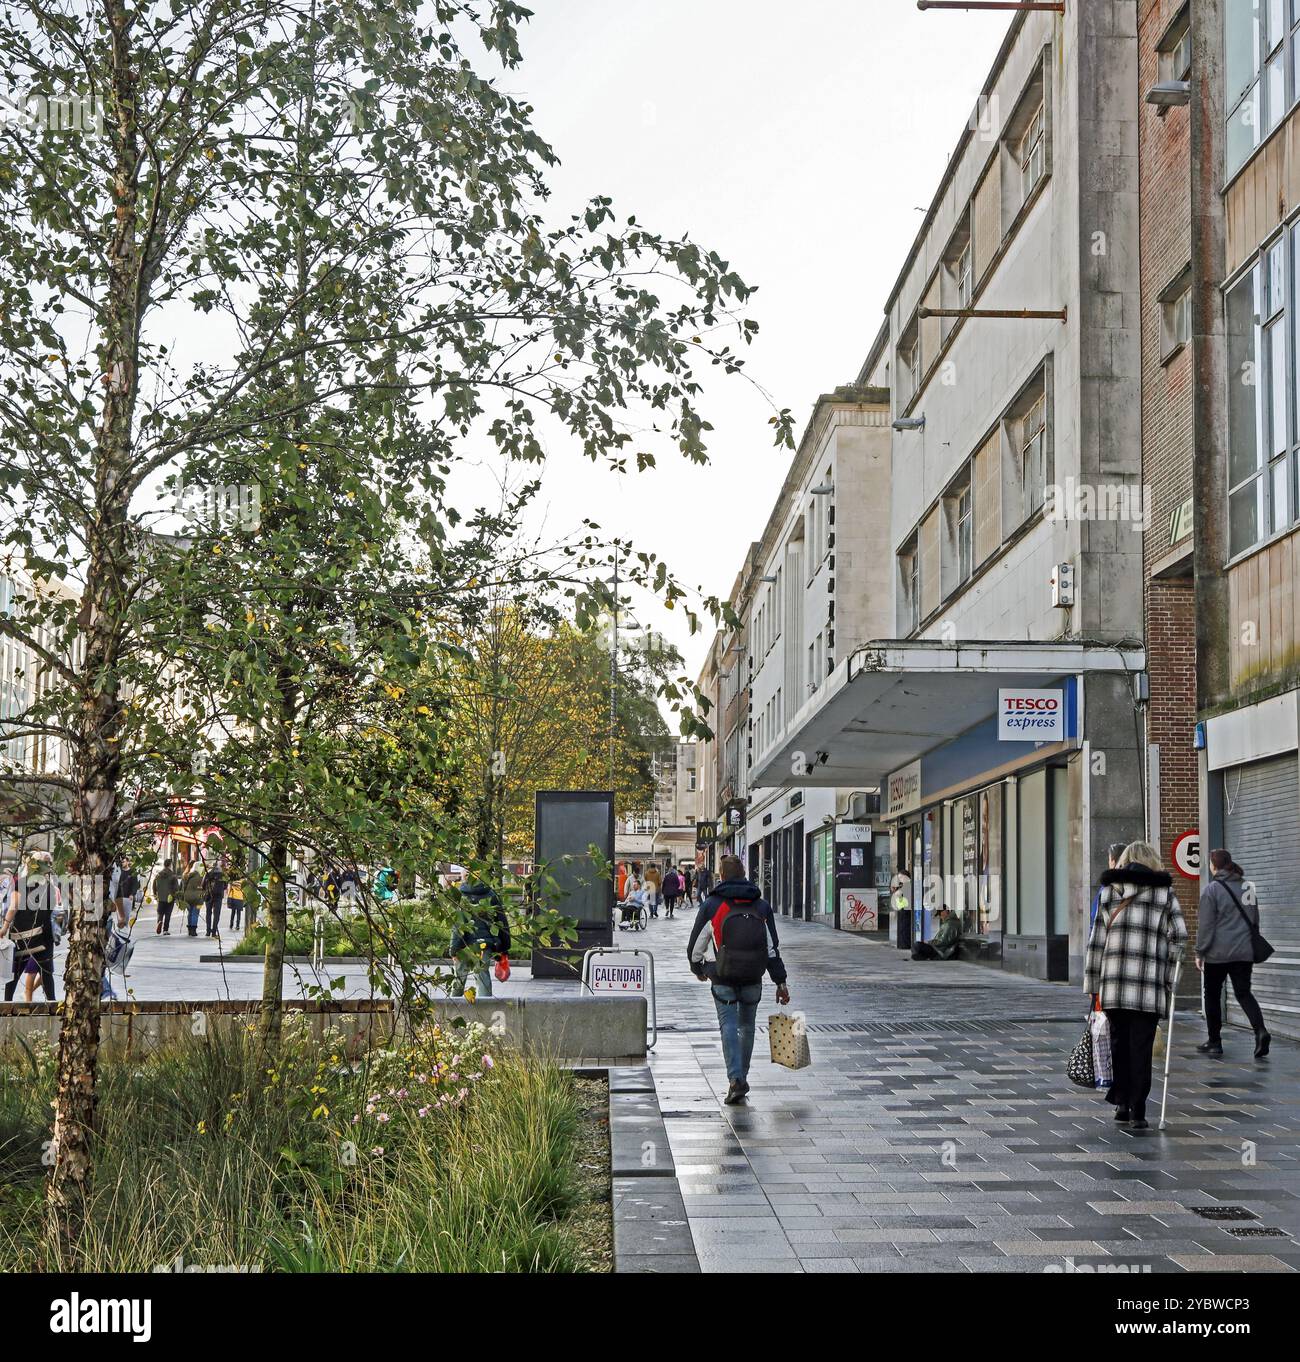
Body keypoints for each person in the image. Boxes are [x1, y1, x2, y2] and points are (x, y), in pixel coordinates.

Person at [1084, 840, 1187, 1130]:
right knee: (1141, 1048)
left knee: (1119, 1045)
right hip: (1149, 986)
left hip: (1114, 984)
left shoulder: (1109, 892)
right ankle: (1138, 1110)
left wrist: (1093, 986)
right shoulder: (1164, 893)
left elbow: (1096, 943)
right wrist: (1170, 978)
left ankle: (1122, 1102)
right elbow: (1179, 937)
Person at [687, 853, 790, 1105]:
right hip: (753, 976)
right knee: (747, 1027)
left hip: (722, 976)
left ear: (721, 875)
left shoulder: (713, 905)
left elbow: (695, 947)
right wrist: (781, 981)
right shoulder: (760, 905)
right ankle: (741, 1076)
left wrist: (698, 969)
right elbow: (771, 948)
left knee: (729, 1026)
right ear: (744, 873)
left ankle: (735, 1079)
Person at [1196, 848, 1270, 1059]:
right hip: (1244, 952)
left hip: (1217, 954)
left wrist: (1199, 952)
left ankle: (1214, 1042)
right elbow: (1254, 920)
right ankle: (1260, 1031)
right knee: (1243, 993)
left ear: (1214, 866)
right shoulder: (1247, 886)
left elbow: (1206, 926)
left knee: (1211, 994)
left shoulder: (1212, 889)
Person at [0, 854, 57, 1002]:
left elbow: (13, 907)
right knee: (46, 973)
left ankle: (7, 1006)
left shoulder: (23, 883)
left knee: (15, 973)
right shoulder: (50, 886)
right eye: (47, 863)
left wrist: (5, 928)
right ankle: (52, 1005)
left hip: (22, 936)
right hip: (42, 937)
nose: (49, 866)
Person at [449, 870, 510, 1000]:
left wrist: (453, 950)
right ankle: (486, 1009)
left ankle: (452, 1007)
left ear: (465, 877)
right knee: (483, 976)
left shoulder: (460, 896)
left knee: (459, 978)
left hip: (464, 946)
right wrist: (504, 948)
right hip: (484, 945)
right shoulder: (491, 895)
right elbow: (502, 922)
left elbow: (457, 925)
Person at [1089, 842, 1129, 928]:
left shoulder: (1107, 888)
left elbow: (1095, 917)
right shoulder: (1140, 884)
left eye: (1109, 859)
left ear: (1113, 861)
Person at [154, 858, 179, 935]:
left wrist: (155, 894)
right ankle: (165, 930)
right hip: (170, 897)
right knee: (168, 914)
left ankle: (159, 921)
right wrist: (176, 896)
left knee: (160, 913)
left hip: (160, 897)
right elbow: (176, 888)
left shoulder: (158, 874)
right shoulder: (173, 875)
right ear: (170, 865)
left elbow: (154, 885)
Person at [180, 861, 205, 936]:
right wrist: (202, 897)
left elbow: (182, 887)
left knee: (190, 913)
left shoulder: (187, 875)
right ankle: (193, 930)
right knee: (195, 914)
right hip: (197, 899)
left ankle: (189, 929)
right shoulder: (201, 878)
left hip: (187, 898)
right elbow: (203, 889)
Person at [115, 857, 140, 927]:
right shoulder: (119, 872)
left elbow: (135, 884)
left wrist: (132, 894)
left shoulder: (132, 872)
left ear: (128, 862)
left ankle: (125, 930)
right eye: (121, 862)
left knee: (126, 916)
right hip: (119, 897)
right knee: (120, 917)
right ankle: (121, 930)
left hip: (128, 897)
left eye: (124, 861)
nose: (122, 863)